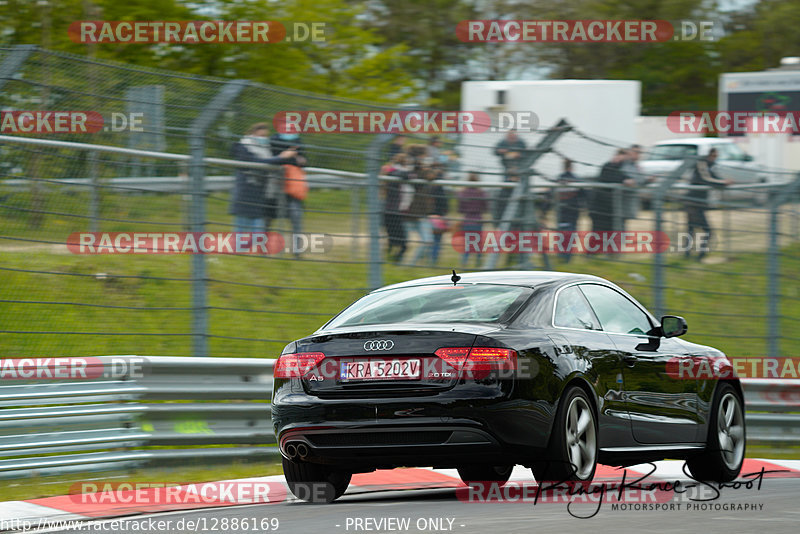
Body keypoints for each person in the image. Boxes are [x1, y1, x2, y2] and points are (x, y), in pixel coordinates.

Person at [229, 123, 297, 234]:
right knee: (241, 233)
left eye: (265, 136)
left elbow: (275, 162)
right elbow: (258, 162)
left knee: (258, 235)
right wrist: (281, 157)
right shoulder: (242, 147)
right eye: (260, 136)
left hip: (260, 196)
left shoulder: (267, 150)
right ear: (252, 134)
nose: (263, 139)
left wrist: (291, 156)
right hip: (245, 195)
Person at [685, 148, 734, 260]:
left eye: (716, 157)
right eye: (713, 156)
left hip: (697, 203)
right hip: (693, 203)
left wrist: (724, 181)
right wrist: (723, 183)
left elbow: (714, 177)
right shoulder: (701, 164)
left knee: (691, 229)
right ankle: (699, 256)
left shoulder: (708, 166)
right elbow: (706, 179)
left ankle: (688, 255)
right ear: (708, 155)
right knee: (706, 230)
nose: (714, 159)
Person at [270, 128, 308, 237]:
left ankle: (297, 251)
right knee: (268, 217)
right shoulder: (274, 139)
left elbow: (304, 160)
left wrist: (290, 157)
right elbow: (276, 159)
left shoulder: (297, 140)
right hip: (276, 186)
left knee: (296, 218)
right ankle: (263, 248)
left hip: (293, 189)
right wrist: (291, 157)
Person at [382, 153, 412, 263]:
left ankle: (388, 260)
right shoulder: (392, 172)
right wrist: (409, 172)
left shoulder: (391, 171)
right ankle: (394, 261)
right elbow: (403, 175)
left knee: (393, 240)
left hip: (392, 211)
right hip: (393, 212)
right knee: (403, 243)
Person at [590, 149, 628, 233]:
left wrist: (626, 179)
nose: (621, 163)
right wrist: (624, 180)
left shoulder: (617, 170)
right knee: (598, 235)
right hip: (600, 209)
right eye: (621, 160)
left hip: (609, 210)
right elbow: (610, 178)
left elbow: (620, 176)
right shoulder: (607, 167)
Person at [555, 159, 584, 263]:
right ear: (572, 167)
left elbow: (552, 194)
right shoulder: (577, 180)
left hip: (561, 211)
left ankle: (560, 255)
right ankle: (568, 257)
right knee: (571, 234)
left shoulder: (559, 179)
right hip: (573, 212)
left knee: (560, 234)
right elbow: (583, 194)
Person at [458, 172, 489, 267]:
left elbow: (460, 209)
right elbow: (486, 207)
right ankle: (478, 262)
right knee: (478, 242)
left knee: (467, 242)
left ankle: (464, 261)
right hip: (478, 220)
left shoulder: (463, 193)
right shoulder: (481, 193)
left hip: (467, 220)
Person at [620, 144, 654, 227]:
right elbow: (630, 179)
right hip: (622, 200)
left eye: (639, 153)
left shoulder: (636, 166)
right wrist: (642, 180)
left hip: (631, 200)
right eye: (636, 152)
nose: (638, 155)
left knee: (623, 225)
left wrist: (647, 180)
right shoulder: (624, 164)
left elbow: (638, 180)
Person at [429, 165, 450, 265]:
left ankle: (431, 257)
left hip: (430, 216)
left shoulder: (429, 188)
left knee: (431, 239)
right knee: (437, 240)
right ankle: (433, 259)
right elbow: (445, 205)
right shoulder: (440, 190)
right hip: (438, 217)